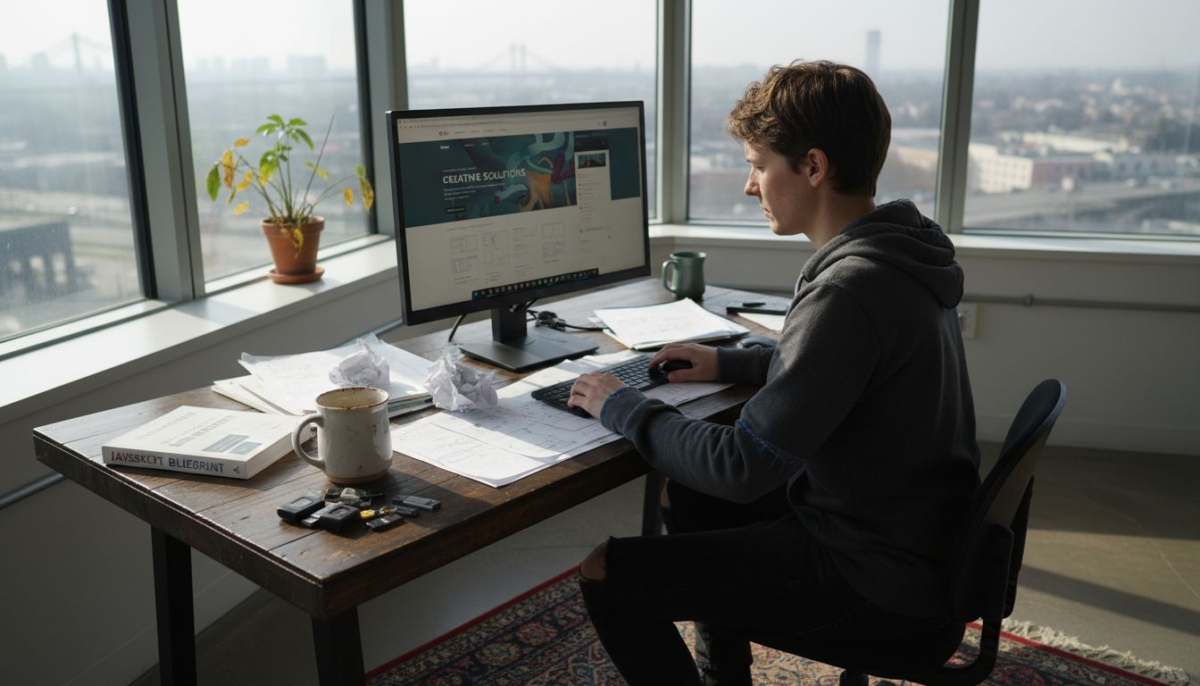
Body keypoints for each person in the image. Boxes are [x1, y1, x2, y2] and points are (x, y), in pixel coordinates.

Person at [567, 59, 980, 685]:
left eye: (759, 164)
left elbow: (742, 466)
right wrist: (731, 362)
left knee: (607, 571)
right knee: (694, 495)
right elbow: (852, 372)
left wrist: (619, 404)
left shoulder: (850, 290)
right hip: (915, 550)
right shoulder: (902, 252)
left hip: (872, 581)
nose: (749, 185)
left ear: (813, 167)